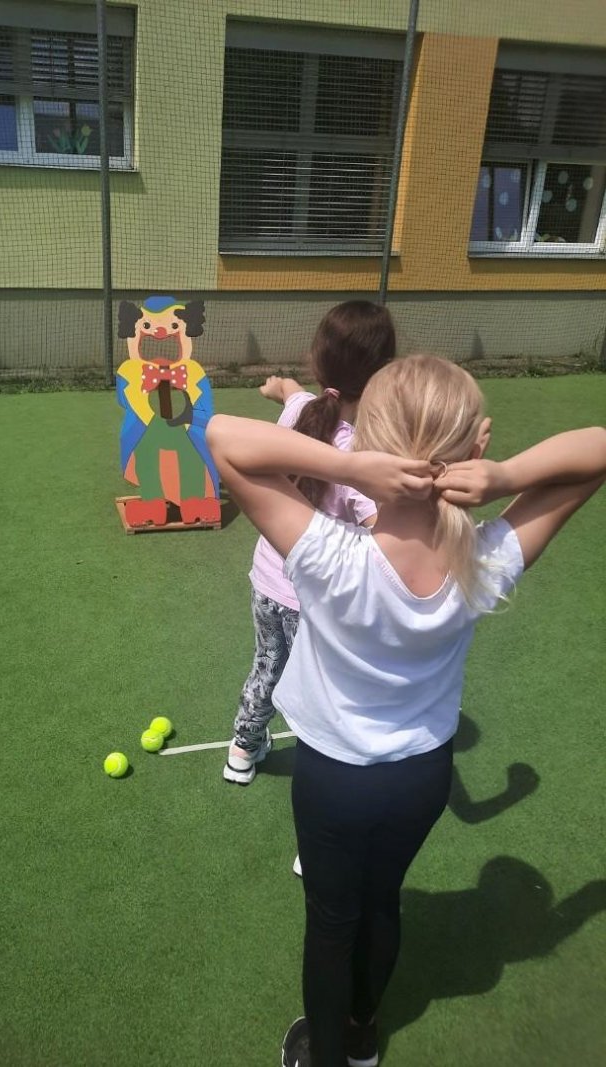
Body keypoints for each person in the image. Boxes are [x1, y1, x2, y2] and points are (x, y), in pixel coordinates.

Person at [205, 355, 606, 1067]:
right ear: (477, 443)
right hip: (420, 777)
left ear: (367, 442)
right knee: (381, 900)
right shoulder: (485, 559)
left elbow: (224, 438)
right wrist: (505, 476)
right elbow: (597, 447)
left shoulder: (328, 553)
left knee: (332, 922)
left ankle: (329, 1054)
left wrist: (350, 467)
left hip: (334, 779)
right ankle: (361, 1035)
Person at [224, 301, 395, 788]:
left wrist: (277, 386)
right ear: (383, 375)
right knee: (326, 690)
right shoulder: (360, 453)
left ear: (317, 362)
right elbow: (382, 527)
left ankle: (242, 749)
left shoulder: (300, 410)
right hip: (317, 601)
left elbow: (291, 391)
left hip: (266, 584)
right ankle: (328, 775)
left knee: (267, 666)